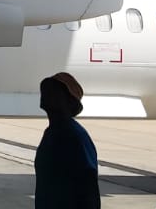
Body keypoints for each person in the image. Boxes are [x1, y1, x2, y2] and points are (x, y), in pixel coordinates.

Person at [34, 71, 101, 209]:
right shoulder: (52, 132)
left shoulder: (74, 135)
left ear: (68, 101)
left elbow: (88, 185)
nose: (46, 93)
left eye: (54, 90)